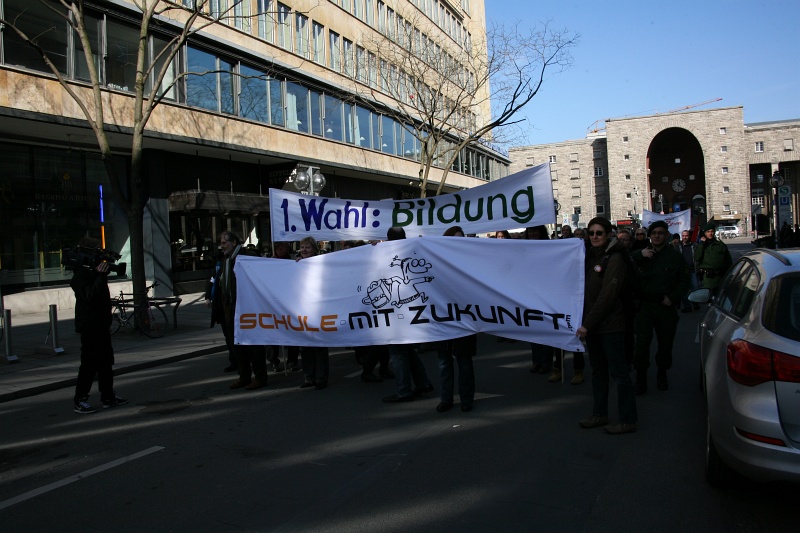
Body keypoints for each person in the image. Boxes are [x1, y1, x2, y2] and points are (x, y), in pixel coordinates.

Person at [576, 218, 637, 434]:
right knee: (598, 372)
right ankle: (599, 413)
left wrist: (587, 324)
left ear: (608, 234)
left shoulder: (615, 258)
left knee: (619, 373)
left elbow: (607, 296)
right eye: (591, 232)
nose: (594, 236)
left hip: (611, 325)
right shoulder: (590, 256)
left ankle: (628, 419)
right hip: (594, 326)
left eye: (599, 233)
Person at [630, 221, 690, 394]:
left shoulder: (674, 256)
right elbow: (624, 263)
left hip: (665, 306)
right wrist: (640, 255)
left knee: (665, 344)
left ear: (666, 235)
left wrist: (673, 297)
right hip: (645, 306)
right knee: (641, 344)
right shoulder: (641, 254)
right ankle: (640, 377)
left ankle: (662, 373)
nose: (657, 236)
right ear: (649, 235)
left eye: (661, 233)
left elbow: (684, 281)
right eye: (654, 233)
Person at [71, 237, 127, 414]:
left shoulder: (94, 274)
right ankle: (80, 399)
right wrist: (100, 276)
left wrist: (100, 275)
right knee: (89, 364)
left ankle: (108, 396)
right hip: (89, 326)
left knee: (105, 363)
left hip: (101, 325)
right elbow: (90, 296)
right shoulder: (80, 276)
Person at [382, 226, 434, 403]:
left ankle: (404, 390)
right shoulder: (412, 250)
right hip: (411, 309)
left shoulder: (387, 255)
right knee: (407, 350)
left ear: (388, 239)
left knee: (398, 352)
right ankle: (423, 383)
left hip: (397, 312)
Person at [219, 231, 270, 391]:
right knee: (238, 345)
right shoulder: (226, 260)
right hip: (231, 309)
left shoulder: (247, 256)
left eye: (224, 243)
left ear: (234, 242)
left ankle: (260, 377)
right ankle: (244, 376)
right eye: (221, 243)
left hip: (248, 308)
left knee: (254, 345)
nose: (221, 246)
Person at [434, 226, 477, 412]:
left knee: (464, 362)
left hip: (464, 319)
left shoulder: (469, 262)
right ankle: (446, 399)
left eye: (460, 238)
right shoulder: (437, 261)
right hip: (443, 319)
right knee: (444, 363)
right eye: (454, 238)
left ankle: (466, 399)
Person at [295, 236, 330, 390]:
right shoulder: (297, 264)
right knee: (305, 347)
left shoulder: (322, 263)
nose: (304, 250)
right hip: (302, 311)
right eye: (302, 247)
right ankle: (309, 377)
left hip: (318, 310)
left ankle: (321, 378)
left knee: (319, 346)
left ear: (314, 249)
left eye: (307, 247)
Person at [205, 250, 237, 373]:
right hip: (221, 306)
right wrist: (208, 297)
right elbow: (212, 281)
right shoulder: (219, 267)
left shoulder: (234, 264)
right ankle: (234, 360)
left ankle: (239, 360)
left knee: (233, 335)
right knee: (228, 336)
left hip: (232, 305)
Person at [694, 224, 732, 295]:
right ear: (705, 233)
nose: (710, 233)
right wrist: (701, 244)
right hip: (708, 278)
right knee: (708, 296)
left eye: (712, 231)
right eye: (708, 232)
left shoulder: (720, 245)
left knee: (721, 296)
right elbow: (697, 257)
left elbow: (728, 261)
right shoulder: (701, 245)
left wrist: (730, 275)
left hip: (720, 277)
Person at [679, 230, 699, 312]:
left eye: (686, 235)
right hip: (682, 272)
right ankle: (687, 306)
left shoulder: (694, 246)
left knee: (695, 288)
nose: (685, 237)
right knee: (684, 289)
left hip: (692, 270)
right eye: (683, 235)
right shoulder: (678, 246)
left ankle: (695, 303)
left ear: (689, 236)